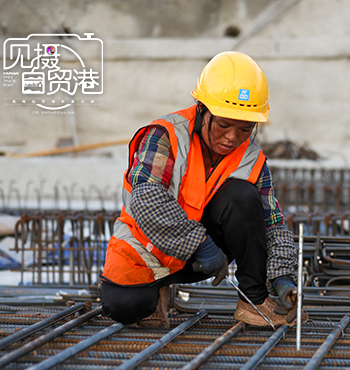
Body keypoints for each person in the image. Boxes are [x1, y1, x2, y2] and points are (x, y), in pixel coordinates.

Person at [100, 51, 300, 328]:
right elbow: (147, 200)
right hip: (150, 249)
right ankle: (158, 291)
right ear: (201, 109)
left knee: (242, 197)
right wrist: (200, 245)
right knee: (123, 306)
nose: (232, 137)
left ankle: (253, 301)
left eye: (245, 129)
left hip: (204, 258)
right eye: (224, 124)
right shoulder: (165, 136)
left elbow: (272, 224)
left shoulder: (252, 158)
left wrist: (282, 278)